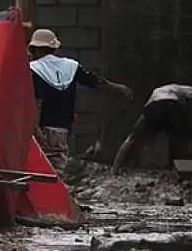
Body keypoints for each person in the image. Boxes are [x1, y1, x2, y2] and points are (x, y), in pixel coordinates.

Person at [28, 29, 132, 170]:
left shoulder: (32, 69)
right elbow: (94, 81)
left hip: (41, 128)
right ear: (55, 49)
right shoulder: (70, 66)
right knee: (57, 168)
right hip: (62, 129)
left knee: (42, 169)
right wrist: (116, 87)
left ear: (33, 50)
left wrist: (34, 128)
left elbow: (36, 101)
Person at [112, 83, 192, 172]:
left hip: (152, 109)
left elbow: (146, 117)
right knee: (187, 140)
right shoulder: (176, 88)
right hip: (171, 107)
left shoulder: (155, 93)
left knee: (132, 139)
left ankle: (115, 170)